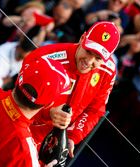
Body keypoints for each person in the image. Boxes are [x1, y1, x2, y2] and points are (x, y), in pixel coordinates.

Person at [26, 21, 120, 157]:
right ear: (82, 38)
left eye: (98, 58)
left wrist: (72, 137)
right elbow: (20, 100)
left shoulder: (108, 71)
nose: (89, 61)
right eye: (88, 51)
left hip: (56, 146)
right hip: (26, 131)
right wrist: (48, 113)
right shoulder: (45, 58)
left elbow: (95, 110)